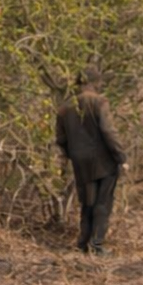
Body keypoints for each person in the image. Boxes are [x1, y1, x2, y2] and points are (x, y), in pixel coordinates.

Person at [55, 68, 127, 255]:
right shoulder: (99, 102)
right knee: (102, 202)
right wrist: (121, 157)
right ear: (96, 82)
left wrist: (71, 157)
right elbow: (108, 131)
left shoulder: (65, 107)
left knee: (87, 202)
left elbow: (61, 139)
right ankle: (97, 245)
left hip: (80, 162)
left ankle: (82, 243)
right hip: (103, 162)